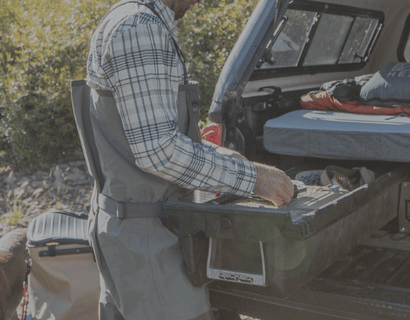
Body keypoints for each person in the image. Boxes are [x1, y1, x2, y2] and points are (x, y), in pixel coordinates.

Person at [81, 0, 295, 319]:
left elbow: (146, 133)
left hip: (136, 231)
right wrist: (255, 178)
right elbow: (159, 151)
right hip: (146, 240)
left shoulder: (132, 18)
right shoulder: (139, 28)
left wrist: (215, 153)